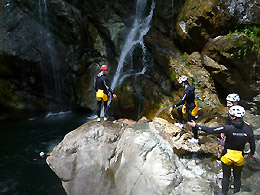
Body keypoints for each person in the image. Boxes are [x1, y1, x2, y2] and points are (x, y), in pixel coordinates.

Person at [187, 105, 255, 195]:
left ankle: (224, 193)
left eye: (230, 115)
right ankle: (237, 192)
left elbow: (211, 130)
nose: (229, 116)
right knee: (237, 177)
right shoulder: (248, 130)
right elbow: (252, 144)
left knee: (226, 176)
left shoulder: (227, 128)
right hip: (239, 157)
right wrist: (251, 154)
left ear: (234, 117)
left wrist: (196, 126)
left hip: (227, 155)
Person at [169, 76, 198, 143]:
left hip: (191, 107)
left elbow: (182, 101)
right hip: (188, 105)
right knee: (179, 109)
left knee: (192, 122)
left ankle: (196, 138)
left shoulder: (187, 92)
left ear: (183, 83)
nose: (181, 85)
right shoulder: (190, 88)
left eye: (181, 83)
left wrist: (173, 106)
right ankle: (180, 123)